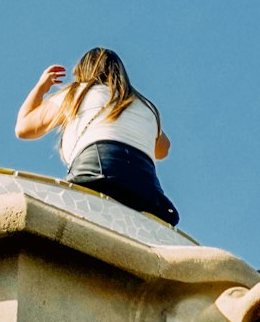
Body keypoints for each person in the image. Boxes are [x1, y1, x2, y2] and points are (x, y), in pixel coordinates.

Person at [14, 48, 179, 226]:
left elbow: (23, 128)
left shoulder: (76, 93)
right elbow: (163, 150)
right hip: (146, 189)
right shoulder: (145, 106)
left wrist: (41, 87)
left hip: (95, 173)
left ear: (82, 71)